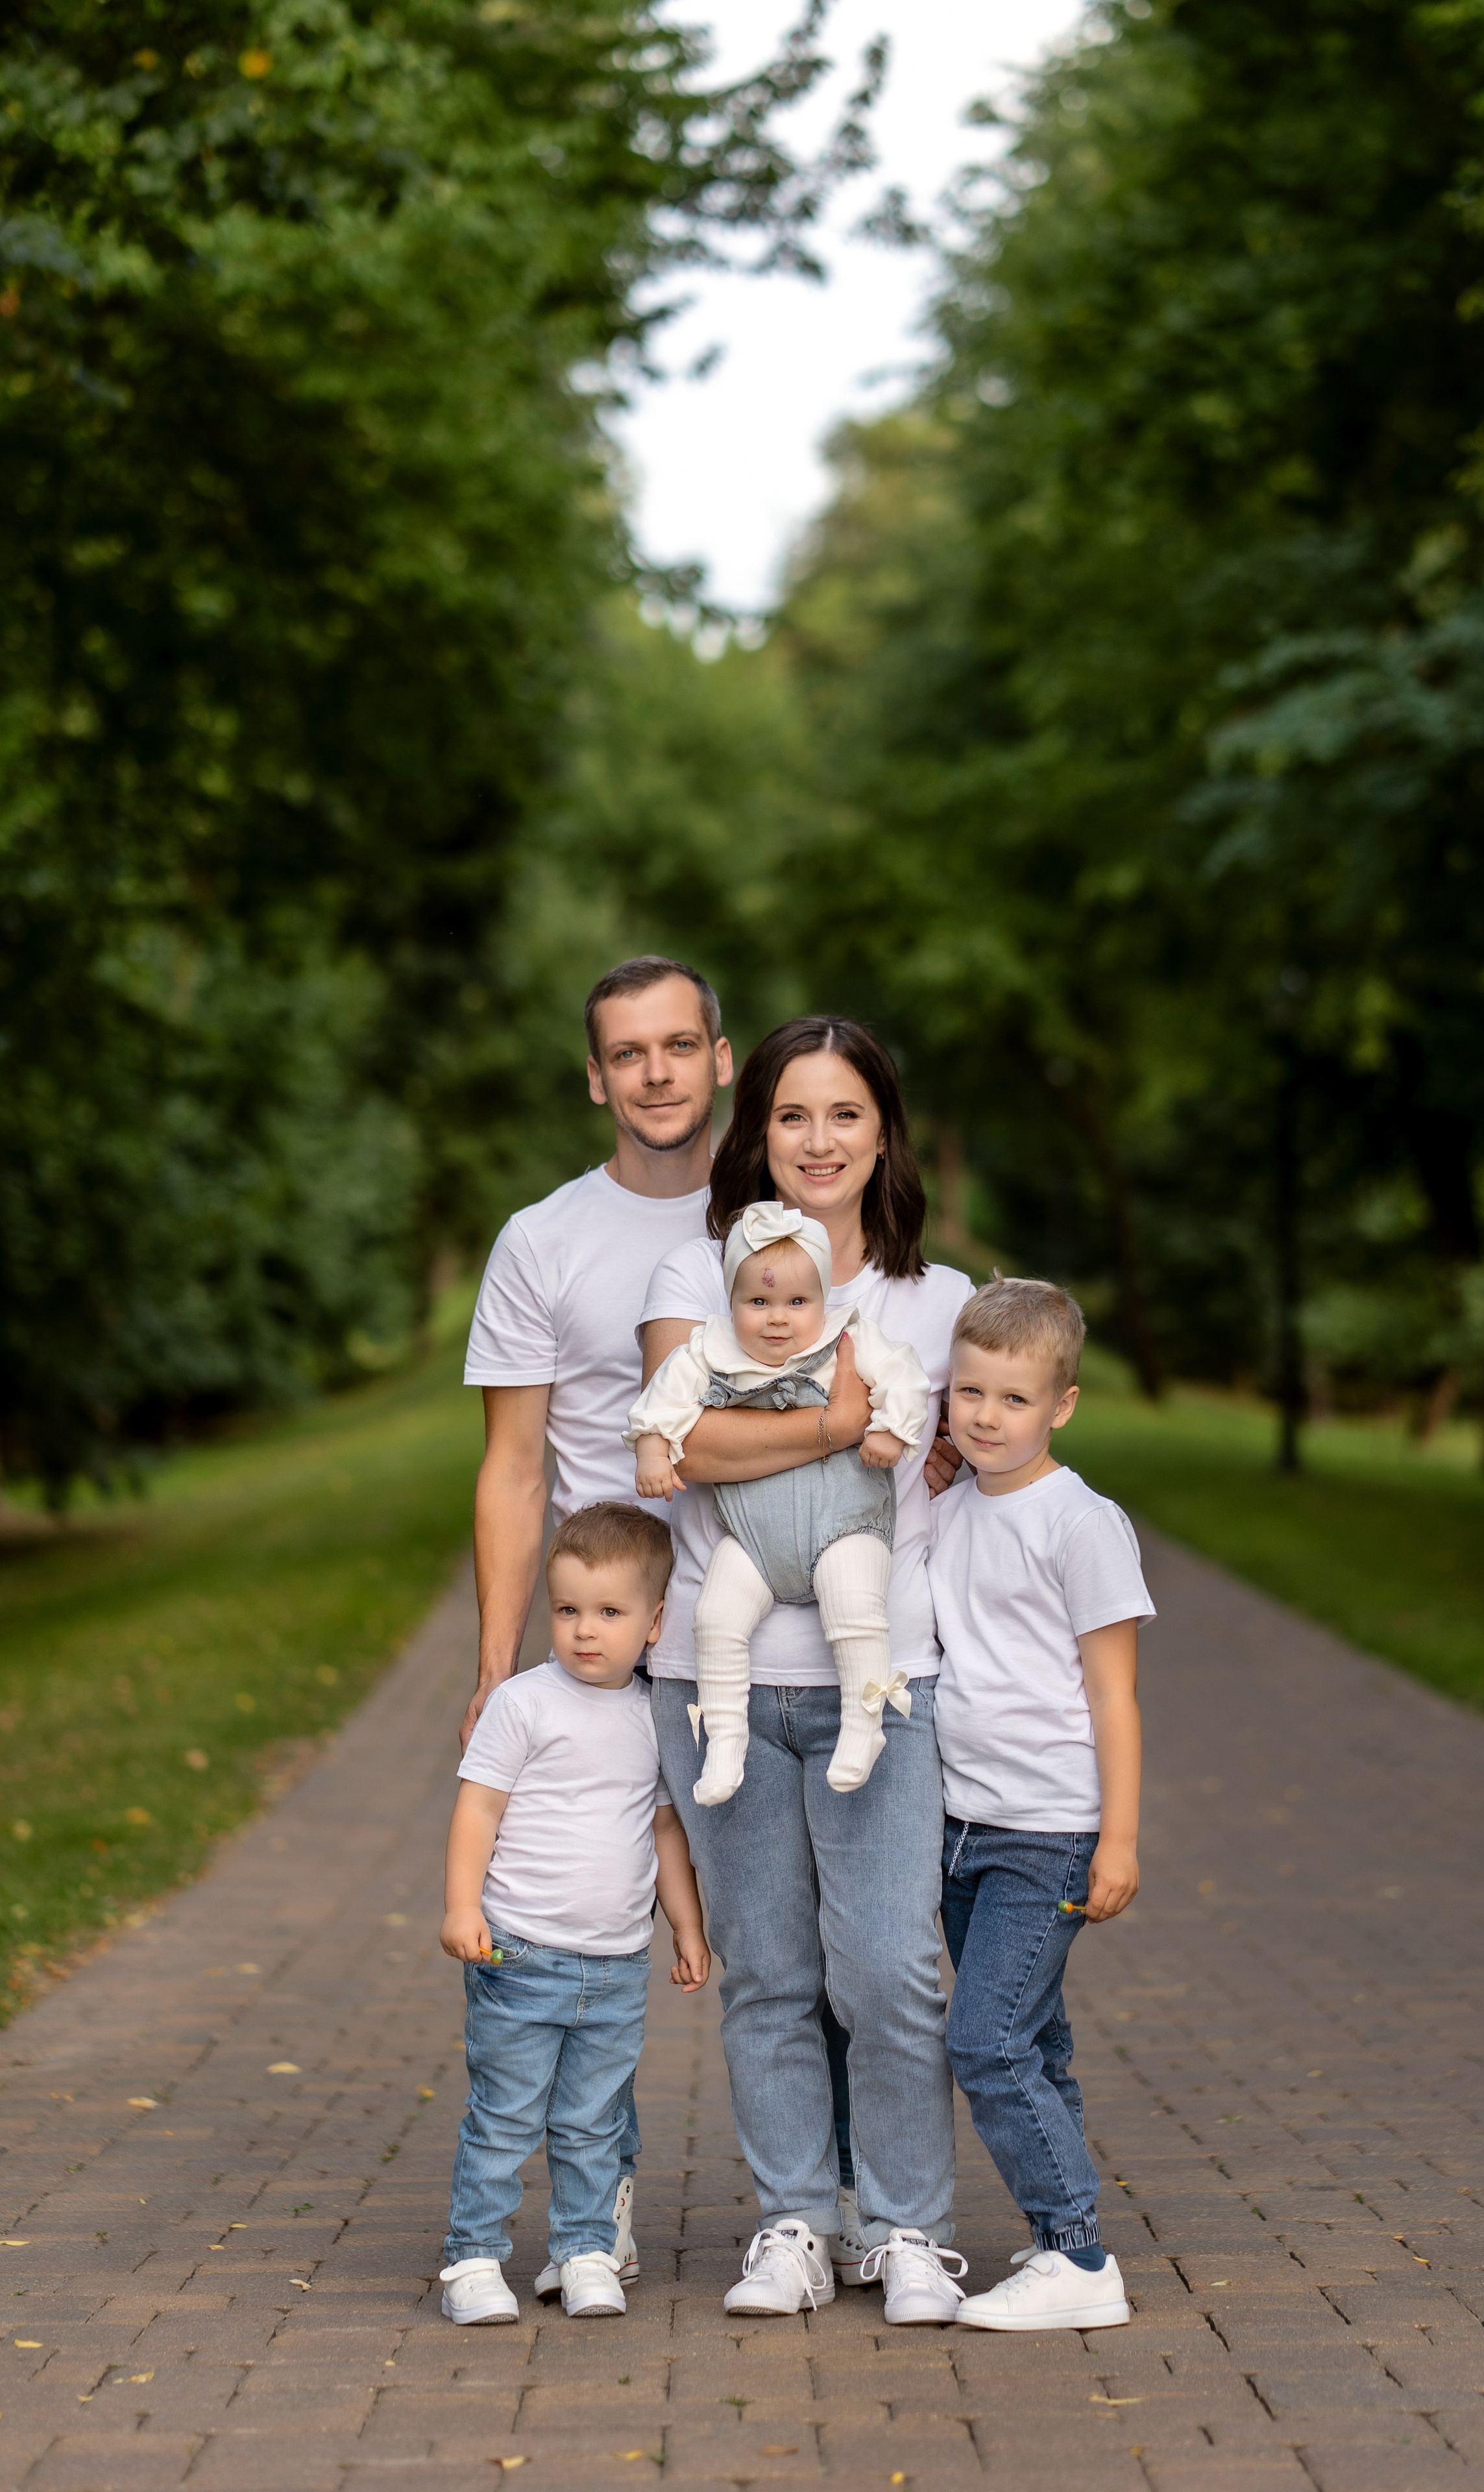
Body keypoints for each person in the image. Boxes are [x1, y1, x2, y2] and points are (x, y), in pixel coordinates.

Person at [639, 1017, 973, 2327]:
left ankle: (906, 2230)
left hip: (879, 1674)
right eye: (791, 1116)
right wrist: (840, 1427)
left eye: (843, 1115)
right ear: (754, 1129)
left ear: (882, 1128)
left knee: (890, 1967)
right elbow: (684, 1443)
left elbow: (966, 1446)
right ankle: (793, 2217)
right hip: (712, 1673)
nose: (817, 1142)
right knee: (769, 1973)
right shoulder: (694, 1267)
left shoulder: (930, 1300)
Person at [461, 953, 731, 2278]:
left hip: (761, 1644)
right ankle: (597, 2215)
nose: (658, 1072)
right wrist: (491, 1662)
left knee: (805, 1941)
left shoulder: (777, 1220)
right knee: (582, 1950)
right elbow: (514, 1468)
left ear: (721, 1058)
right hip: (611, 1666)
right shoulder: (543, 1240)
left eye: (680, 1045)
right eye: (630, 1053)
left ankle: (845, 2201)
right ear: (594, 1079)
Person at [928, 1278, 1154, 2333]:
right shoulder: (944, 1513)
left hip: (1048, 1832)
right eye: (968, 1391)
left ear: (1060, 1404)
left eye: (1012, 1399)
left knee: (987, 2043)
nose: (985, 1415)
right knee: (1037, 2039)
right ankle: (1058, 2232)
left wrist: (1118, 1838)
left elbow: (1114, 1693)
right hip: (957, 1827)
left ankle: (1080, 2258)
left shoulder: (1081, 1522)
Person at [437, 1504, 709, 2327]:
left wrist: (687, 1927)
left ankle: (586, 2249)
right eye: (566, 1611)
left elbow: (664, 1829)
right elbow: (478, 1809)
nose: (584, 1631)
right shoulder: (524, 1704)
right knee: (506, 2116)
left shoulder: (654, 1718)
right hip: (520, 1953)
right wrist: (461, 1905)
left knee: (593, 2122)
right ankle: (474, 2259)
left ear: (655, 1621)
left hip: (617, 1965)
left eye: (609, 1613)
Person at [629, 1199, 928, 1802]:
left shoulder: (850, 1334)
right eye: (757, 1303)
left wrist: (892, 1429)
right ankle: (726, 1742)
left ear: (822, 1297)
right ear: (731, 1302)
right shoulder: (709, 1348)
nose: (778, 1320)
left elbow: (905, 1377)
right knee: (715, 1618)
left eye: (798, 1302)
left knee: (855, 1607)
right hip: (755, 1541)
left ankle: (862, 1726)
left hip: (844, 1524)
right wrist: (653, 1451)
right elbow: (663, 1401)